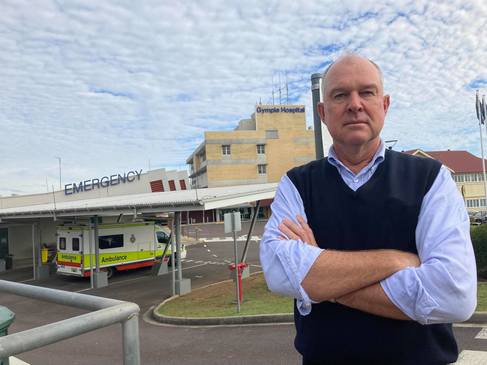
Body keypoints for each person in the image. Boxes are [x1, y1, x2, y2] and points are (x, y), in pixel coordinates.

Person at [260, 53, 477, 365]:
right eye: (340, 95)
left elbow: (454, 296)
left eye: (366, 92)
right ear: (323, 112)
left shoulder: (430, 178)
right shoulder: (297, 185)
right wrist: (395, 261)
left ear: (384, 105)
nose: (355, 104)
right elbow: (279, 272)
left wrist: (321, 280)